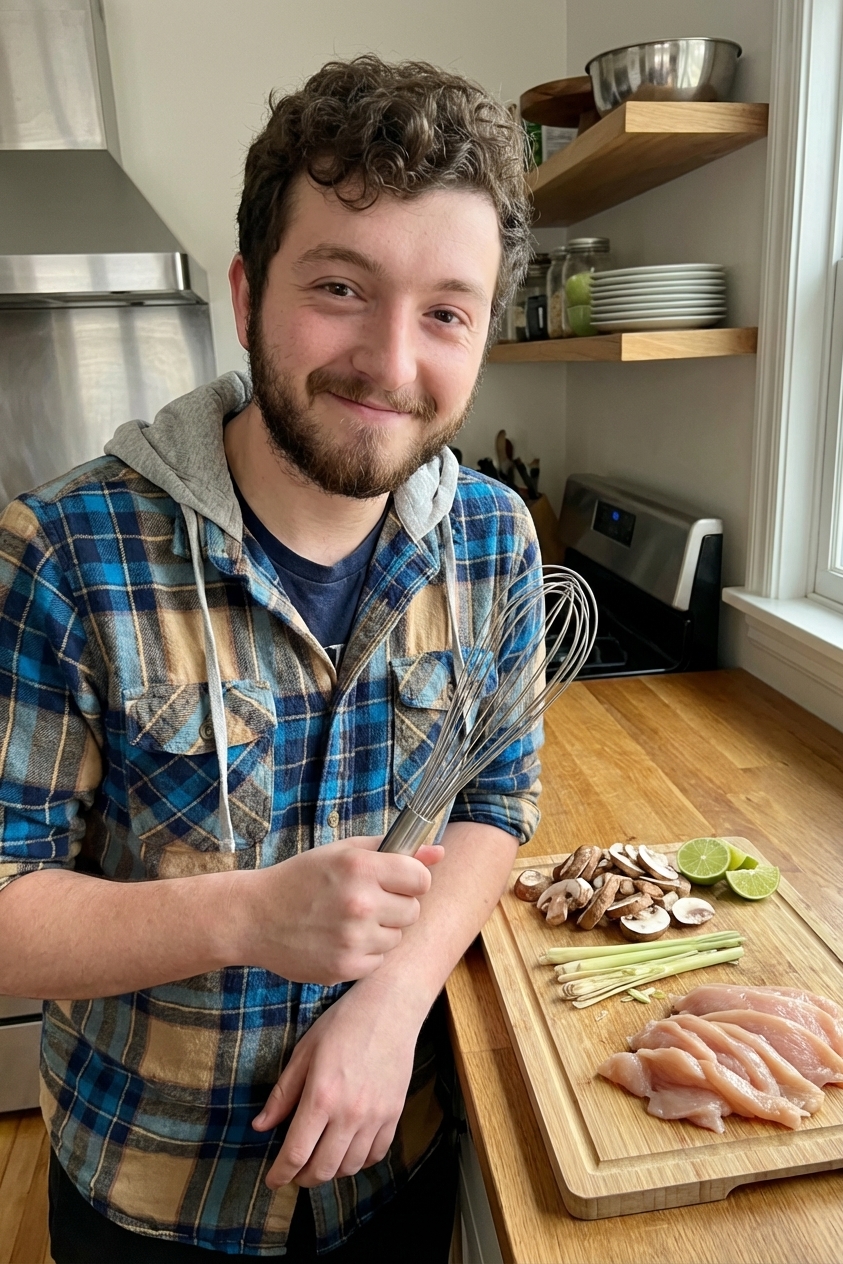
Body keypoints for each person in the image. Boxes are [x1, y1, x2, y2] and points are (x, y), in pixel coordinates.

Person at [0, 55, 541, 1261]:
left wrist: (393, 1000)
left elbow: (500, 797)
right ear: (249, 290)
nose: (394, 365)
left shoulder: (495, 541)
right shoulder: (63, 553)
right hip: (155, 1190)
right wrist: (248, 916)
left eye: (447, 311)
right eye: (342, 286)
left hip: (394, 1154)